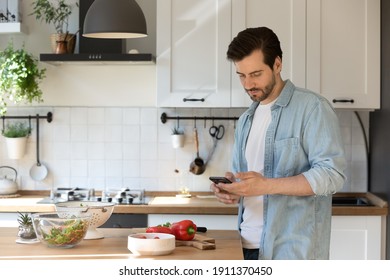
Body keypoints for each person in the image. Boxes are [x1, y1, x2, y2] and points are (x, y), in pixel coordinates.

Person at [210, 27, 346, 260]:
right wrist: (232, 189)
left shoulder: (312, 108)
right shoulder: (245, 120)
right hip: (246, 247)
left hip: (292, 253)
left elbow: (332, 175)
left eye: (256, 74)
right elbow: (245, 180)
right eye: (241, 75)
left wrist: (266, 185)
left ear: (277, 64)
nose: (248, 84)